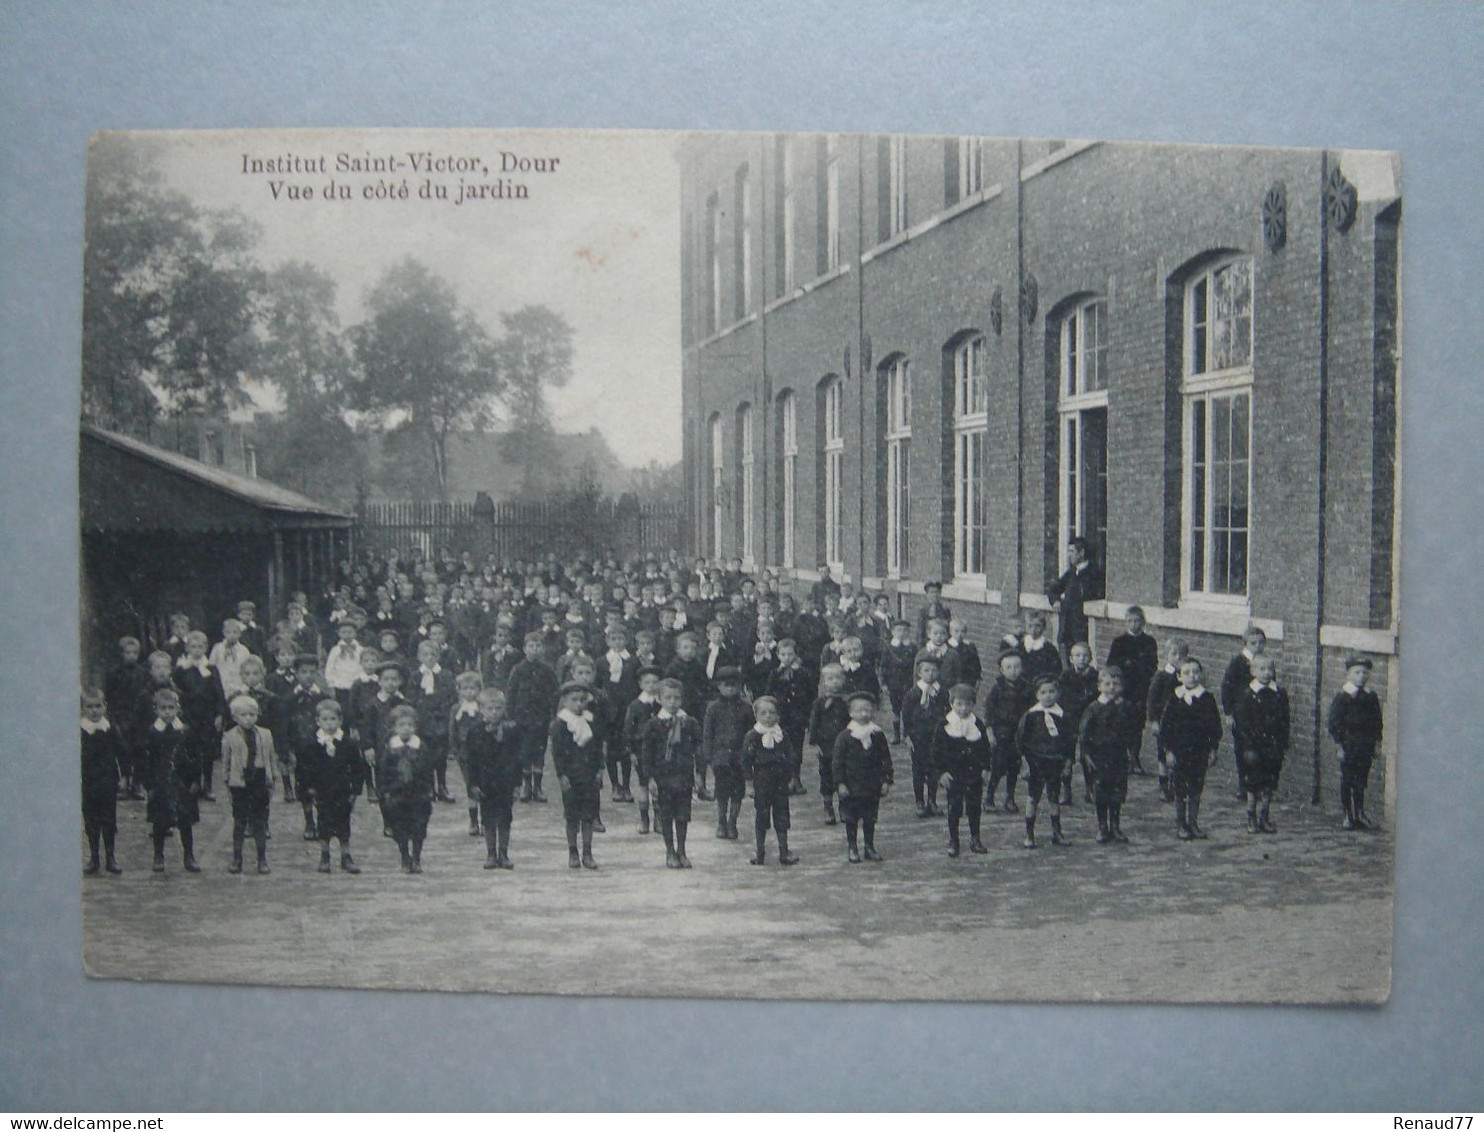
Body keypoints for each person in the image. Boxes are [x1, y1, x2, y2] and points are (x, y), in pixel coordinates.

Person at [295, 698, 364, 874]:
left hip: (342, 789)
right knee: (324, 824)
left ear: (340, 720)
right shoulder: (311, 743)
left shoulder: (348, 743)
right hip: (321, 790)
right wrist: (307, 788)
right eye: (325, 720)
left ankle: (345, 857)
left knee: (343, 823)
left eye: (333, 719)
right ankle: (325, 856)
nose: (329, 723)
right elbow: (303, 768)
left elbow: (357, 767)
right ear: (318, 721)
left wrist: (355, 789)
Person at [638, 678, 702, 868]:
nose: (673, 702)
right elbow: (646, 753)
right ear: (659, 699)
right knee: (666, 814)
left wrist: (700, 773)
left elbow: (699, 748)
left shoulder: (689, 722)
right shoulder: (653, 724)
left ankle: (682, 850)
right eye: (668, 698)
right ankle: (670, 851)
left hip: (683, 775)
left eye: (676, 698)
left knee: (682, 815)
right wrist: (649, 778)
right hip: (663, 776)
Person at [1159, 658, 1223, 841]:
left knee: (1196, 788)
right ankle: (1181, 823)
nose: (1192, 676)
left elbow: (1214, 726)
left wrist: (1213, 749)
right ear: (1179, 677)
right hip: (1179, 752)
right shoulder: (1174, 698)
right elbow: (1166, 728)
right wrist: (1168, 751)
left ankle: (1193, 822)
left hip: (1199, 752)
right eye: (1187, 673)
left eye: (1195, 672)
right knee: (1180, 789)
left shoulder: (1207, 699)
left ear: (1201, 675)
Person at [142, 687, 201, 874]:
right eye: (163, 708)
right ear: (156, 710)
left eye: (171, 708)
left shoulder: (185, 731)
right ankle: (158, 856)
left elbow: (195, 756)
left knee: (185, 822)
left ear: (178, 709)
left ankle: (189, 856)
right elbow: (146, 760)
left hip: (181, 782)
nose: (167, 712)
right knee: (159, 822)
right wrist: (148, 785)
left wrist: (194, 780)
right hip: (161, 783)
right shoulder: (152, 732)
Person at [220, 692, 280, 875]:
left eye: (252, 715)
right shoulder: (229, 737)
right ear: (235, 717)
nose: (248, 719)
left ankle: (262, 859)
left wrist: (273, 778)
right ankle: (237, 859)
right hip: (240, 780)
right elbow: (226, 763)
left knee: (259, 821)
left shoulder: (265, 734)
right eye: (243, 715)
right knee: (239, 822)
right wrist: (228, 783)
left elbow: (271, 758)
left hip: (260, 777)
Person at [1077, 666, 1137, 844]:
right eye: (1107, 683)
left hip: (1118, 756)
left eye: (1116, 684)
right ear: (1099, 686)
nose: (1111, 687)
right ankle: (1102, 826)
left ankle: (1115, 826)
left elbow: (1132, 731)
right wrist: (1086, 755)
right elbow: (1083, 734)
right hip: (1099, 757)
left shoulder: (1126, 707)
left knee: (1117, 791)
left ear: (1122, 687)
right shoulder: (1094, 708)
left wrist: (1132, 754)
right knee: (1101, 791)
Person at [831, 690, 893, 863]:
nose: (863, 714)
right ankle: (852, 847)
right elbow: (837, 763)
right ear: (851, 713)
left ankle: (869, 846)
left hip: (871, 784)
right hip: (851, 786)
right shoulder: (844, 737)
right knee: (851, 818)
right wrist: (840, 783)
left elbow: (885, 758)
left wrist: (886, 780)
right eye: (859, 710)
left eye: (867, 710)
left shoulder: (877, 734)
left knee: (870, 817)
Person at [465, 688, 522, 868]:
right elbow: (470, 760)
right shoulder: (475, 732)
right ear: (481, 709)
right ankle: (490, 853)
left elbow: (517, 758)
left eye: (498, 708)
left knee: (505, 818)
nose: (494, 712)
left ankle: (504, 853)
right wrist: (472, 784)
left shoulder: (511, 731)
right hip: (485, 783)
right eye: (490, 709)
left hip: (505, 782)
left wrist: (517, 784)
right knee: (488, 819)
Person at [1233, 653, 1290, 834]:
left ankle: (1265, 816)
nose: (1267, 673)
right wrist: (1248, 747)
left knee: (1269, 783)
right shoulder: (1247, 695)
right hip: (1254, 748)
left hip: (1272, 747)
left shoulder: (1279, 694)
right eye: (1262, 669)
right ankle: (1251, 816)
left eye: (1270, 669)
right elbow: (1242, 724)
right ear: (1253, 671)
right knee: (1253, 783)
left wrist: (1282, 743)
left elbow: (1285, 721)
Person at [931, 683, 990, 857]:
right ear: (952, 704)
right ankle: (954, 840)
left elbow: (985, 748)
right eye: (959, 704)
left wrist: (986, 768)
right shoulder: (944, 725)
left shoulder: (977, 724)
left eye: (968, 704)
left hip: (973, 773)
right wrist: (941, 772)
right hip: (954, 774)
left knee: (974, 806)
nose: (963, 708)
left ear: (973, 705)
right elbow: (936, 751)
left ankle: (975, 838)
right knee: (954, 808)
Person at [550, 681, 604, 869]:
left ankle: (587, 852)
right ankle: (572, 851)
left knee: (588, 815)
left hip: (589, 775)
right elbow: (557, 753)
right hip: (572, 777)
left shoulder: (591, 721)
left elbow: (597, 748)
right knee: (572, 816)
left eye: (583, 700)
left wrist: (599, 769)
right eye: (574, 700)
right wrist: (561, 775)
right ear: (565, 701)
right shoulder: (560, 724)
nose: (579, 704)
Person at [1016, 674, 1073, 849]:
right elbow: (1021, 740)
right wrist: (1025, 762)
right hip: (1036, 762)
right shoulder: (1031, 716)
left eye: (1051, 691)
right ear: (1037, 695)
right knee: (1033, 797)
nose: (1048, 695)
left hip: (1055, 761)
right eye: (1043, 692)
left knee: (1054, 797)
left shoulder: (1062, 715)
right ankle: (1029, 833)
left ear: (1057, 693)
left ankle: (1057, 832)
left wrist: (1068, 762)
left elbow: (1069, 740)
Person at [1327, 656, 1384, 831]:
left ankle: (1360, 812)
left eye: (1365, 673)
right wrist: (1339, 746)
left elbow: (1377, 722)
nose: (1361, 676)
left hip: (1365, 745)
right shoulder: (1343, 697)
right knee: (1348, 779)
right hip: (1348, 746)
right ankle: (1347, 814)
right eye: (1357, 672)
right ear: (1349, 674)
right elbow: (1334, 724)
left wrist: (1376, 743)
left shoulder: (1370, 697)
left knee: (1361, 780)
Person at [742, 695, 798, 866]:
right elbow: (746, 761)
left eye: (772, 713)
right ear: (756, 716)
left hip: (780, 780)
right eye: (763, 713)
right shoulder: (753, 735)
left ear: (778, 716)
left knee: (782, 816)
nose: (768, 716)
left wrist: (791, 778)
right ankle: (759, 852)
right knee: (762, 816)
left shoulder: (782, 735)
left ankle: (784, 851)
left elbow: (790, 757)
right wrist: (749, 783)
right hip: (762, 780)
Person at [377, 704, 433, 873]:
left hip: (418, 794)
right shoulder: (389, 749)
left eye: (409, 725)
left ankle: (416, 858)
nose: (406, 729)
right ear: (394, 728)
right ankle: (404, 856)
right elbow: (383, 772)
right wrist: (385, 792)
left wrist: (429, 790)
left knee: (418, 827)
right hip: (397, 794)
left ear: (415, 727)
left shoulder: (421, 747)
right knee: (399, 827)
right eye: (401, 725)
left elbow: (428, 770)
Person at [506, 630, 559, 804]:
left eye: (538, 646)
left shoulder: (547, 670)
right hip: (522, 718)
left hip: (541, 718)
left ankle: (538, 786)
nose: (534, 649)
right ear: (524, 648)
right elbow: (511, 694)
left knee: (539, 751)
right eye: (531, 646)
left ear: (543, 649)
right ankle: (526, 785)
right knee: (524, 752)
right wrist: (511, 717)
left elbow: (555, 694)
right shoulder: (518, 670)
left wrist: (552, 717)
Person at [1104, 606, 1158, 775]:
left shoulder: (1149, 642)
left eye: (1137, 621)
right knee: (1122, 723)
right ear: (1125, 622)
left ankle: (1135, 758)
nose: (1134, 624)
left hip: (1140, 689)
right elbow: (1112, 665)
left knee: (1137, 725)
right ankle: (1123, 758)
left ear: (1143, 622)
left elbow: (1152, 665)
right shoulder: (1119, 642)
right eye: (1130, 621)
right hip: (1123, 689)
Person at [701, 666, 751, 841]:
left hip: (740, 757)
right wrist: (709, 757)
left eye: (734, 685)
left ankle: (732, 822)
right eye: (726, 685)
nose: (730, 688)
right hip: (720, 757)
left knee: (738, 791)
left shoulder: (746, 708)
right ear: (718, 687)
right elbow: (707, 733)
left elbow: (751, 733)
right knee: (722, 791)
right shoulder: (713, 708)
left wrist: (750, 756)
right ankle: (721, 821)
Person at [1220, 625, 1268, 801]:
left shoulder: (1264, 663)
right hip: (1241, 714)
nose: (1258, 646)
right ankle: (1243, 784)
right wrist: (1228, 713)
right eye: (1253, 643)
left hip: (1260, 714)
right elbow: (1227, 688)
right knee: (1243, 748)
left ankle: (1259, 784)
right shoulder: (1238, 663)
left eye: (1261, 643)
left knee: (1260, 748)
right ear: (1246, 644)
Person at [174, 630, 224, 800]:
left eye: (200, 646)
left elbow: (219, 693)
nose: (197, 650)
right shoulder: (181, 669)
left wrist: (219, 714)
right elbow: (177, 693)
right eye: (193, 646)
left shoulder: (211, 669)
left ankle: (208, 784)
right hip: (189, 715)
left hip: (207, 715)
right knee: (191, 749)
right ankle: (194, 782)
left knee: (208, 751)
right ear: (187, 648)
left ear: (206, 648)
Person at [982, 649, 1031, 813]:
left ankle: (1010, 797)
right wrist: (990, 732)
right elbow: (988, 711)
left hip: (1018, 734)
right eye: (1009, 667)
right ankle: (989, 796)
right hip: (1001, 733)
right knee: (997, 767)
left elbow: (1030, 710)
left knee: (1014, 767)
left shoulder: (1026, 688)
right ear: (1002, 670)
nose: (1013, 671)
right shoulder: (997, 689)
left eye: (1017, 667)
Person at [80, 689, 123, 876]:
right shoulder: (81, 730)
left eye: (98, 706)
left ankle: (111, 857)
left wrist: (123, 776)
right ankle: (94, 857)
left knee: (108, 818)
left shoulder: (110, 728)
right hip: (88, 781)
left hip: (107, 780)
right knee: (91, 819)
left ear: (105, 707)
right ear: (83, 709)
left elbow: (122, 752)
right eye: (90, 707)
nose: (94, 711)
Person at [410, 639, 458, 804]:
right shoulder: (416, 676)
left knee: (441, 756)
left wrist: (440, 713)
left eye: (433, 654)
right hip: (423, 723)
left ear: (438, 656)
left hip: (440, 723)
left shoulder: (445, 675)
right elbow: (412, 699)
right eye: (425, 654)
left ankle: (442, 786)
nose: (429, 658)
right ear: (419, 656)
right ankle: (429, 787)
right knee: (425, 756)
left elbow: (451, 697)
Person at [764, 637, 815, 797]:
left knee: (796, 749)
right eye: (783, 654)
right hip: (781, 717)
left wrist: (807, 715)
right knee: (781, 748)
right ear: (778, 655)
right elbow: (769, 694)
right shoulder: (774, 673)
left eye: (790, 654)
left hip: (797, 717)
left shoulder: (803, 673)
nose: (787, 657)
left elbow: (811, 695)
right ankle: (785, 780)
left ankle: (796, 777)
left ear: (795, 655)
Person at [902, 651, 948, 818]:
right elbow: (906, 715)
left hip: (935, 737)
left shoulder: (941, 692)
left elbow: (947, 712)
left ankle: (932, 800)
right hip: (918, 737)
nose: (931, 674)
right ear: (919, 673)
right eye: (926, 670)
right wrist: (907, 736)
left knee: (934, 769)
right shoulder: (913, 693)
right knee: (919, 770)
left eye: (934, 670)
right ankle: (919, 801)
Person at [104, 637, 149, 800]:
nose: (131, 656)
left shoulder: (143, 673)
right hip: (121, 715)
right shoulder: (113, 673)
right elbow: (109, 697)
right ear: (122, 654)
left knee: (140, 748)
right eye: (128, 653)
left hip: (139, 716)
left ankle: (137, 783)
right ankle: (124, 779)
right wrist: (112, 716)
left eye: (135, 653)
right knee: (123, 748)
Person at [1146, 637, 1190, 804]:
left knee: (1178, 751)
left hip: (1179, 721)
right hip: (1164, 721)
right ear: (1166, 655)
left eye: (1182, 654)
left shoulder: (1185, 676)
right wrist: (1154, 720)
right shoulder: (1161, 676)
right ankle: (1163, 784)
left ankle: (1175, 782)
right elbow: (1152, 700)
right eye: (1174, 654)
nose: (1179, 657)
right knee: (1163, 753)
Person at [599, 625, 640, 802]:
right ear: (608, 641)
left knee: (626, 749)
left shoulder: (633, 661)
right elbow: (598, 686)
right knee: (611, 750)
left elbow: (638, 685)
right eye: (613, 639)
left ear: (626, 640)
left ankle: (626, 785)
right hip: (609, 712)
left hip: (626, 710)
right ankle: (615, 785)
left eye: (620, 639)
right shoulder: (602, 661)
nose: (617, 642)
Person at [623, 664, 665, 834]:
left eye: (655, 682)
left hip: (659, 751)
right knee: (643, 784)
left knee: (658, 784)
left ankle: (659, 819)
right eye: (647, 682)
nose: (651, 686)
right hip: (641, 750)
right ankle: (644, 819)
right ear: (641, 685)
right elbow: (628, 730)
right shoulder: (636, 705)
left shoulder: (663, 703)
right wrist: (632, 751)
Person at [807, 663, 851, 826]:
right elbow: (814, 723)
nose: (834, 682)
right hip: (825, 744)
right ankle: (828, 807)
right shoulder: (819, 703)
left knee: (844, 774)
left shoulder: (847, 701)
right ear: (824, 681)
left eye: (838, 678)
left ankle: (843, 807)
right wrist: (814, 743)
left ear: (843, 679)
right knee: (826, 775)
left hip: (843, 744)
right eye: (830, 679)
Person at [1047, 537, 1104, 660]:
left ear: (1082, 552)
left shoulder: (1094, 574)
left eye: (1072, 551)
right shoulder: (1072, 573)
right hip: (1068, 629)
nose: (1069, 555)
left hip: (1083, 630)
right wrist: (1055, 601)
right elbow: (1053, 589)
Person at [1057, 642, 1099, 805]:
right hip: (1069, 720)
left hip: (1089, 721)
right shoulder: (1065, 676)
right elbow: (1061, 697)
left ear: (1090, 658)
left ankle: (1090, 789)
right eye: (1077, 656)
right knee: (1066, 756)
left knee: (1087, 754)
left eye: (1085, 656)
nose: (1081, 659)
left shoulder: (1095, 676)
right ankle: (1066, 789)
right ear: (1071, 659)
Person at [449, 670, 486, 837]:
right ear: (459, 690)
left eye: (473, 688)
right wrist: (456, 751)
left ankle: (485, 821)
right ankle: (473, 820)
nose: (469, 692)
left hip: (482, 753)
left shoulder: (483, 708)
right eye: (465, 689)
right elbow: (453, 731)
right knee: (470, 786)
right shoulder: (456, 709)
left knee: (484, 785)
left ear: (479, 690)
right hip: (465, 754)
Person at [879, 618, 918, 744]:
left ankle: (907, 734)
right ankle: (896, 734)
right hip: (894, 683)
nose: (902, 633)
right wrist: (884, 683)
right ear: (893, 632)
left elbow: (917, 666)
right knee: (896, 709)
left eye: (905, 630)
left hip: (908, 683)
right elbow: (883, 666)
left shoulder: (912, 647)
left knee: (908, 708)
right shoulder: (889, 648)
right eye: (899, 630)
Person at [1002, 611, 1059, 687]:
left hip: (1040, 686)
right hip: (1021, 686)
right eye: (1030, 626)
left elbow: (1056, 670)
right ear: (1025, 626)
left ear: (1044, 627)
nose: (1033, 630)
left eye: (1037, 626)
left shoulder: (1048, 648)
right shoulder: (1020, 644)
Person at [323, 620, 365, 710]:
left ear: (355, 633)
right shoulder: (335, 650)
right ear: (339, 634)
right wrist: (331, 682)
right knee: (342, 707)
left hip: (356, 683)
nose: (347, 635)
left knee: (355, 707)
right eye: (343, 632)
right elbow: (330, 667)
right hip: (340, 684)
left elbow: (363, 665)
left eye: (350, 632)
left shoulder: (360, 650)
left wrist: (361, 678)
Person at [944, 618, 985, 694]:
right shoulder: (946, 647)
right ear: (950, 632)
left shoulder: (969, 647)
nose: (960, 634)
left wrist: (977, 680)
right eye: (956, 631)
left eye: (962, 632)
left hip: (967, 681)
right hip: (951, 682)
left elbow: (976, 665)